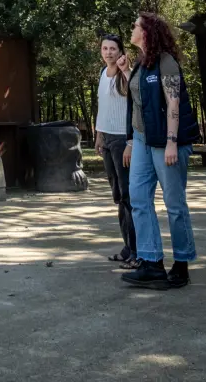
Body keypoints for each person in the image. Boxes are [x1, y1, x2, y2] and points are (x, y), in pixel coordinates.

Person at [122, 12, 199, 289]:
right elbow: (138, 101)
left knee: (174, 204)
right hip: (143, 139)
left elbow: (173, 104)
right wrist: (125, 72)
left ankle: (182, 263)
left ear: (147, 32)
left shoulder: (166, 62)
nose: (132, 29)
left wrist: (171, 142)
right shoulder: (140, 63)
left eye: (135, 25)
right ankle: (151, 262)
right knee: (139, 198)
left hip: (166, 140)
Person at [94, 34, 138, 268]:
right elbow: (103, 106)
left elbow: (136, 97)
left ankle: (137, 251)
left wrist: (131, 142)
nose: (108, 52)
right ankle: (127, 247)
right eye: (105, 48)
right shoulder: (103, 73)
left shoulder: (126, 73)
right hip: (107, 139)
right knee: (118, 196)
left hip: (123, 138)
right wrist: (99, 135)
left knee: (128, 195)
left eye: (113, 48)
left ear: (121, 51)